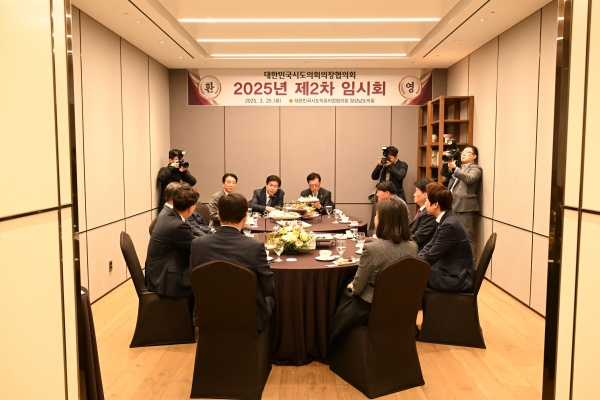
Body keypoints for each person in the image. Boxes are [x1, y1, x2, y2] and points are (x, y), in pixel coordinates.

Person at [329, 198, 417, 345]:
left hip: (373, 306)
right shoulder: (412, 247)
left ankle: (336, 344)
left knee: (345, 292)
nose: (375, 218)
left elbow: (358, 288)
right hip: (401, 304)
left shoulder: (372, 249)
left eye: (377, 215)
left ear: (384, 221)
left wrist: (353, 286)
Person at [190, 193, 275, 331]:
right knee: (270, 299)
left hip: (208, 314)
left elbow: (194, 280)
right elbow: (268, 287)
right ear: (245, 216)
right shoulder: (254, 247)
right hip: (247, 316)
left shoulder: (197, 244)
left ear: (218, 214)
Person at [145, 185, 199, 308]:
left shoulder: (168, 216)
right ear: (191, 208)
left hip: (158, 271)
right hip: (164, 278)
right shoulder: (178, 226)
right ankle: (190, 317)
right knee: (203, 279)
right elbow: (196, 247)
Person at [418, 182, 474, 293]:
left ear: (435, 204)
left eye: (427, 200)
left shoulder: (449, 225)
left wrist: (410, 264)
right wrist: (415, 259)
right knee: (414, 271)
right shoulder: (446, 218)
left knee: (413, 274)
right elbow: (429, 245)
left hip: (455, 278)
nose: (425, 203)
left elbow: (431, 256)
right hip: (448, 271)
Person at [440, 145, 482, 262]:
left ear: (474, 156)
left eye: (467, 152)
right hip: (452, 205)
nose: (463, 154)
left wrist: (455, 168)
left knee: (468, 237)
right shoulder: (458, 167)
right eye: (463, 152)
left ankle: (471, 265)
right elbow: (443, 172)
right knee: (451, 235)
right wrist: (446, 162)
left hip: (464, 207)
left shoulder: (476, 169)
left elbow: (469, 179)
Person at [410, 178, 437, 251]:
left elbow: (419, 237)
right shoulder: (422, 211)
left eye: (416, 191)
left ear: (425, 194)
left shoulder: (429, 213)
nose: (414, 195)